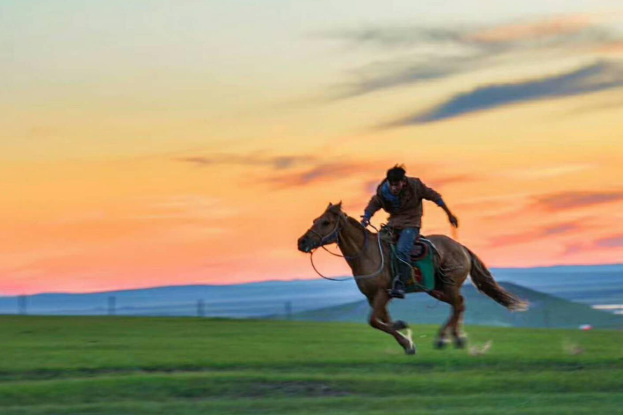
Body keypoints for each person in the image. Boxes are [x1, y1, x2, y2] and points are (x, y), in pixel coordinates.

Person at [361, 165, 458, 299]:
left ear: (403, 181)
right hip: (393, 223)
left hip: (411, 223)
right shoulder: (383, 191)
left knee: (402, 250)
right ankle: (383, 278)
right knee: (378, 245)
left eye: (397, 185)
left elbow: (435, 197)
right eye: (392, 185)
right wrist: (366, 217)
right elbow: (374, 204)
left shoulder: (415, 186)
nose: (394, 188)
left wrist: (449, 214)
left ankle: (401, 282)